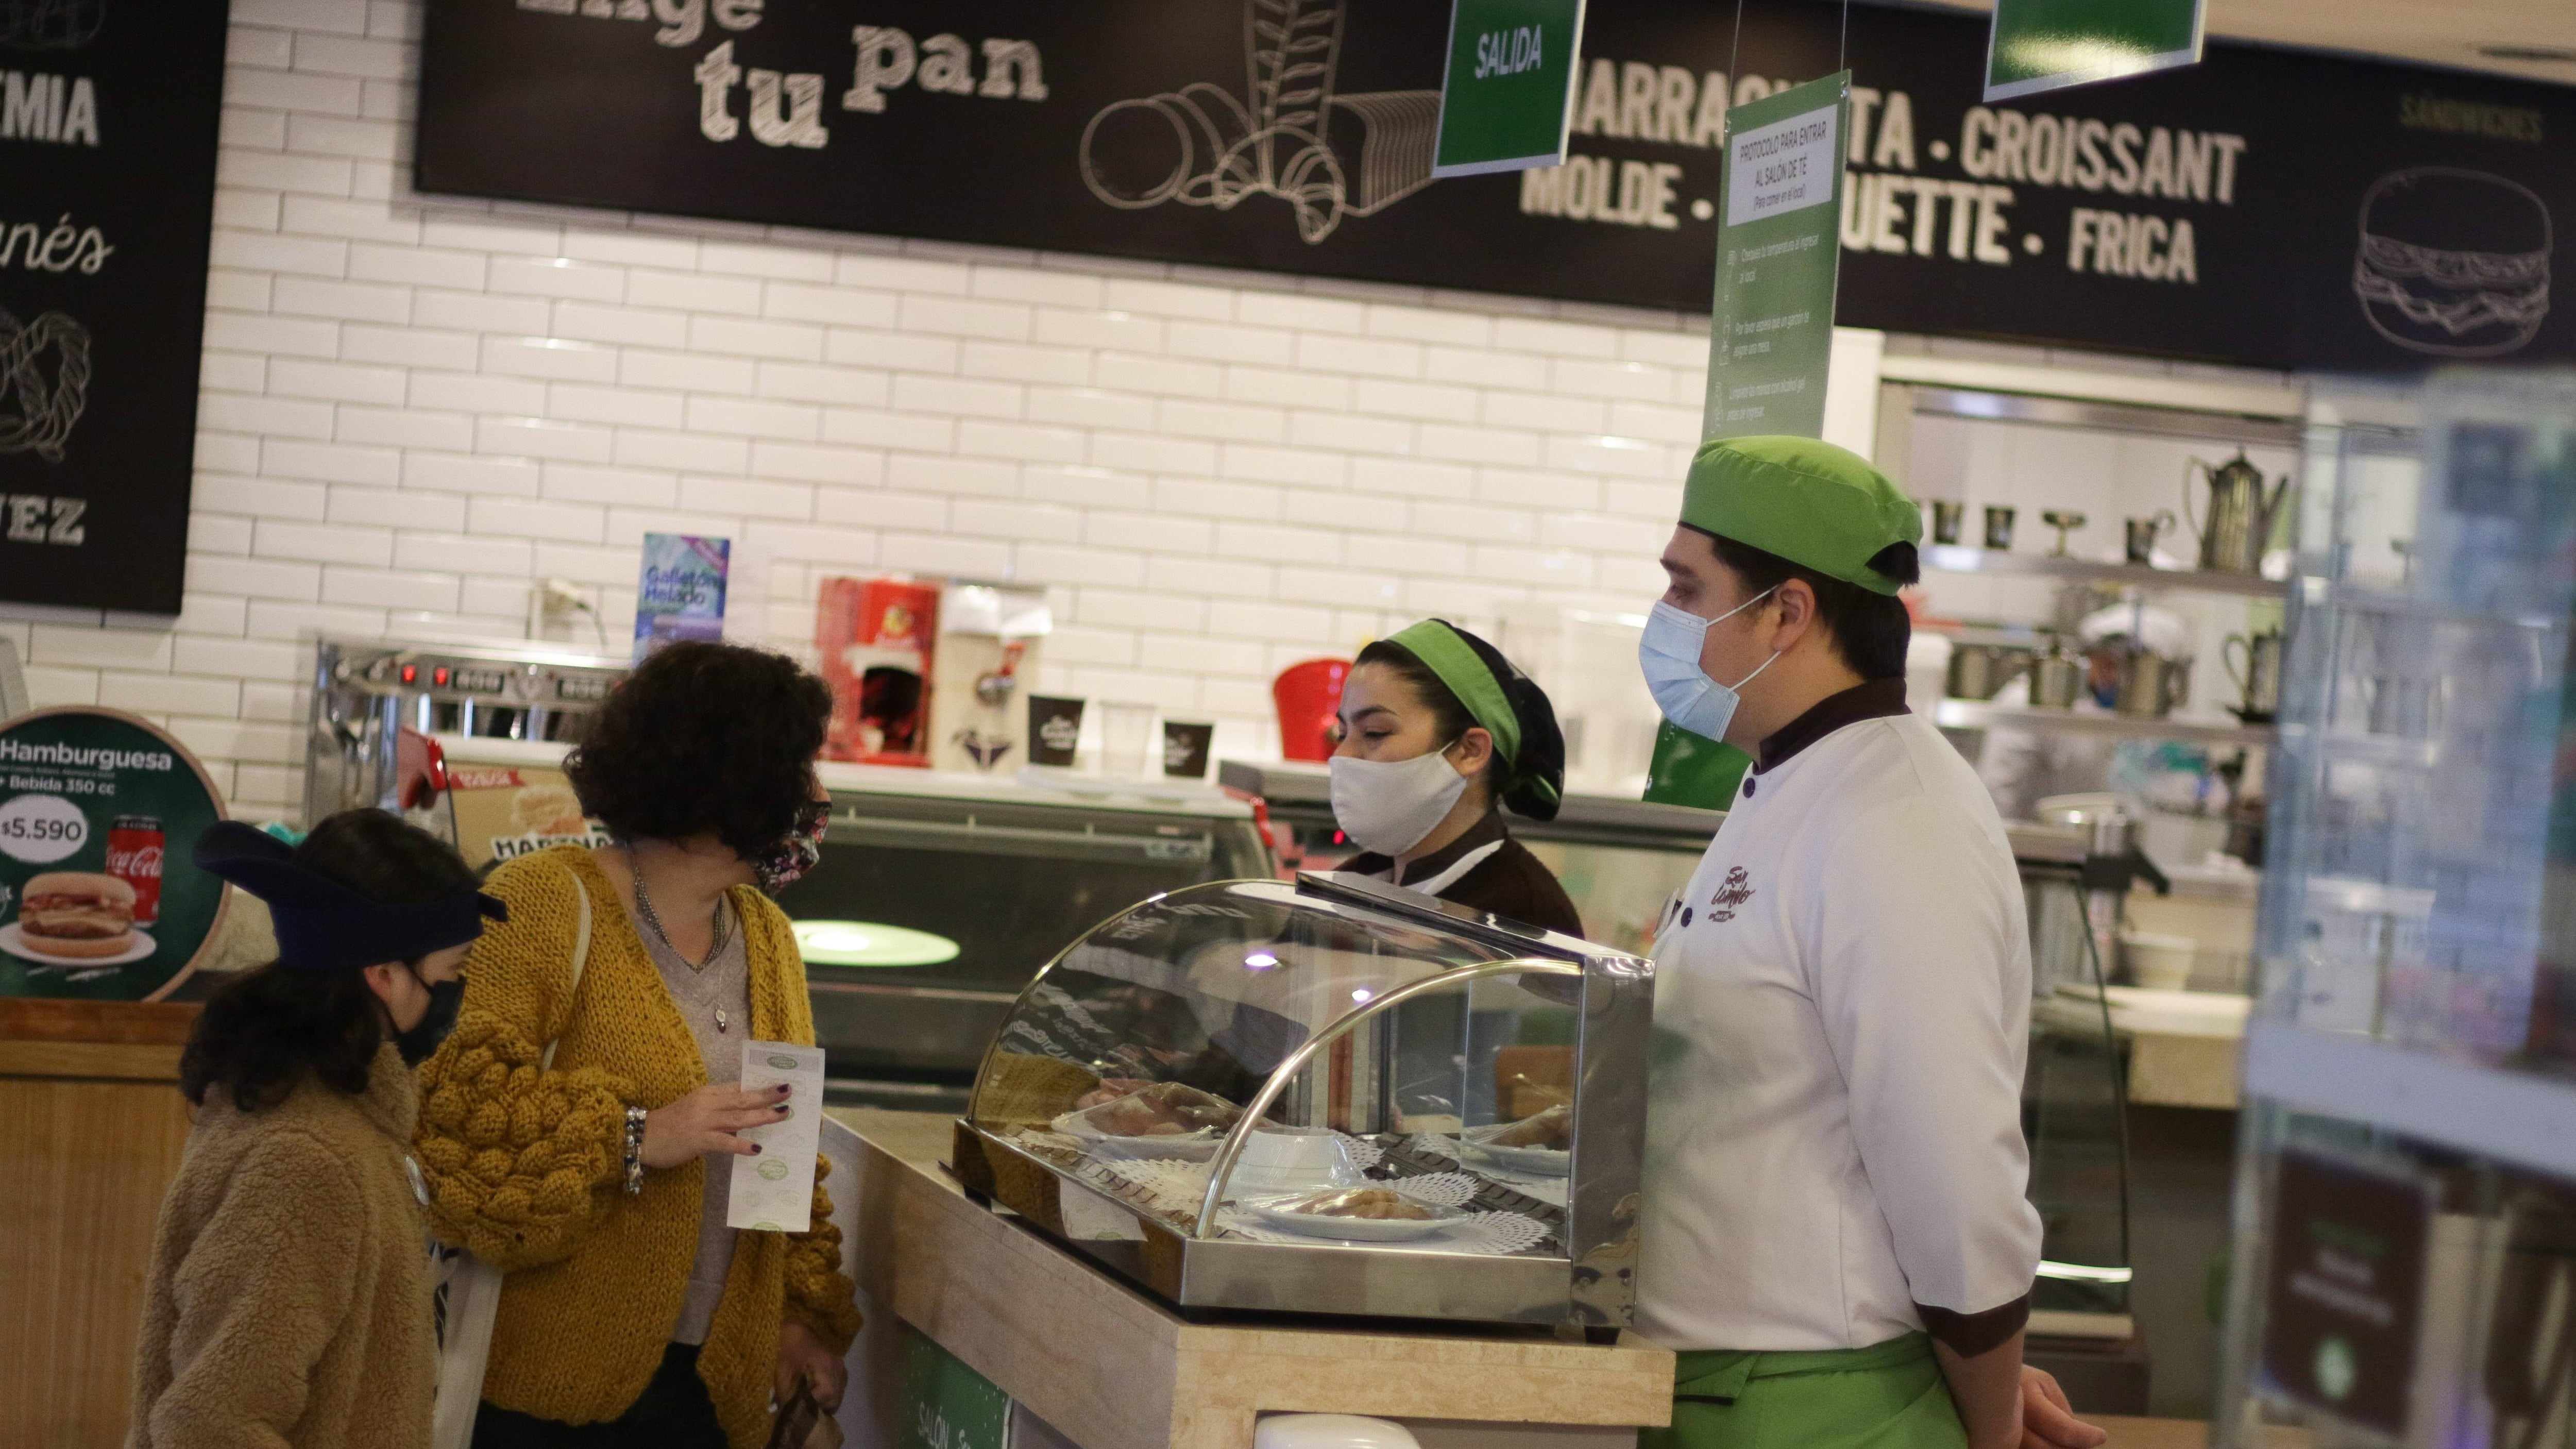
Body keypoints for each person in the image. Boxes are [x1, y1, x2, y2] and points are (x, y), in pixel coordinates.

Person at [1632, 436, 2107, 1449]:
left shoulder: (1898, 816)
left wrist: (1986, 1409)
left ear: (1787, 612)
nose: (1664, 615)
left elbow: (1952, 1173)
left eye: (1686, 586)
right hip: (1722, 1385)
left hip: (1815, 1405)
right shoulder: (1791, 776)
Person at [414, 642, 861, 1448]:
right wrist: (639, 1135)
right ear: (733, 775)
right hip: (547, 1391)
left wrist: (798, 1318)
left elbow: (784, 1153)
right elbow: (458, 1122)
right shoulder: (543, 902)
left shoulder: (768, 937)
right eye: (801, 767)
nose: (819, 796)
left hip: (714, 1391)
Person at [132, 810, 502, 1449]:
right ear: (383, 973)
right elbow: (209, 1423)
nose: (457, 993)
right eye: (450, 972)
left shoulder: (311, 1109)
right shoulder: (307, 1162)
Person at [1330, 618, 1584, 937]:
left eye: (1374, 732)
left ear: (1470, 751)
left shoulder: (1526, 914)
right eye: (1342, 733)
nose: (1342, 755)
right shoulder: (1358, 878)